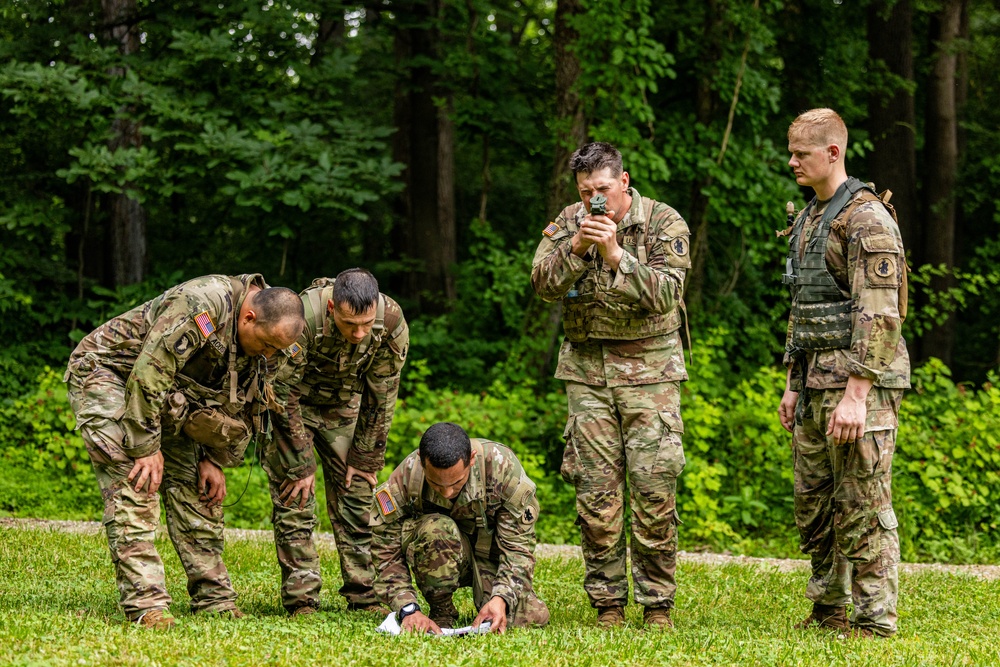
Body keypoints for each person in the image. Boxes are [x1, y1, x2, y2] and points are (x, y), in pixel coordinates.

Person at [64, 274, 305, 629]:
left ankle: (214, 598)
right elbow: (148, 375)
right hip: (110, 373)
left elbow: (244, 401)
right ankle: (146, 603)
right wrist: (146, 446)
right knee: (137, 478)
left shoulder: (274, 346)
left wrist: (213, 458)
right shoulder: (202, 304)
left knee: (199, 489)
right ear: (248, 317)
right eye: (267, 345)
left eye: (276, 350)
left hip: (172, 396)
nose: (269, 355)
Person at [530, 142, 690, 629]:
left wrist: (615, 252)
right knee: (596, 494)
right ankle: (608, 603)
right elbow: (542, 284)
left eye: (602, 189)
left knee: (653, 490)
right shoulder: (567, 222)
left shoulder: (663, 222)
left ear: (623, 181)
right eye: (585, 192)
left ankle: (657, 603)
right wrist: (577, 248)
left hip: (650, 375)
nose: (594, 200)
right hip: (587, 372)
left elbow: (668, 294)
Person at [778, 108, 910, 638]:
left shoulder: (867, 218)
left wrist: (857, 395)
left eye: (801, 154)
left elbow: (881, 313)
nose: (792, 162)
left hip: (859, 387)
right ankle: (829, 607)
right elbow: (802, 306)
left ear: (833, 152)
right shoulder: (811, 216)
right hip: (813, 382)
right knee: (815, 502)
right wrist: (792, 385)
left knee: (862, 501)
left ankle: (875, 620)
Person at [263, 268, 408, 616]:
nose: (359, 333)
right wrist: (301, 461)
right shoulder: (304, 317)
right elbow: (280, 391)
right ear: (331, 309)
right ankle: (302, 599)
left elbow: (383, 395)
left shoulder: (390, 322)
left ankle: (364, 595)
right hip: (291, 404)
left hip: (344, 407)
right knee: (295, 497)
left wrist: (366, 457)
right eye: (348, 324)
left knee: (358, 496)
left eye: (365, 324)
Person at [370, 422, 549, 634]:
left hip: (490, 557)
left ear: (471, 459)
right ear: (421, 460)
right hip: (439, 551)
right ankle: (442, 610)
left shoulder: (501, 468)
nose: (447, 493)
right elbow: (385, 549)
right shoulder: (407, 477)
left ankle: (492, 599)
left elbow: (518, 549)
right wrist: (407, 609)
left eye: (456, 482)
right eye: (436, 484)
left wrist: (502, 598)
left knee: (531, 618)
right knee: (438, 529)